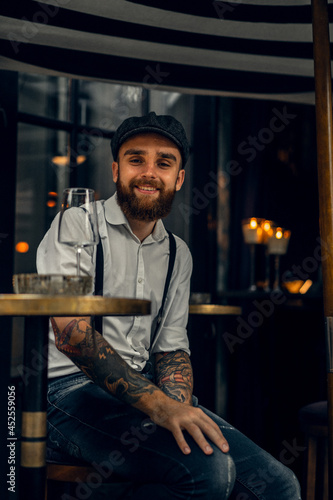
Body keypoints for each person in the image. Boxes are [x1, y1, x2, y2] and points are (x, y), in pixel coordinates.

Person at [37, 112, 301, 499]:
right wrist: (159, 407)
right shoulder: (75, 225)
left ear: (178, 178)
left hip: (143, 391)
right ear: (116, 170)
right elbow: (72, 335)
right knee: (208, 471)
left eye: (164, 162)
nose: (149, 172)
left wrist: (175, 409)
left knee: (279, 485)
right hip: (68, 393)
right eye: (136, 159)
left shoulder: (179, 253)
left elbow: (172, 348)